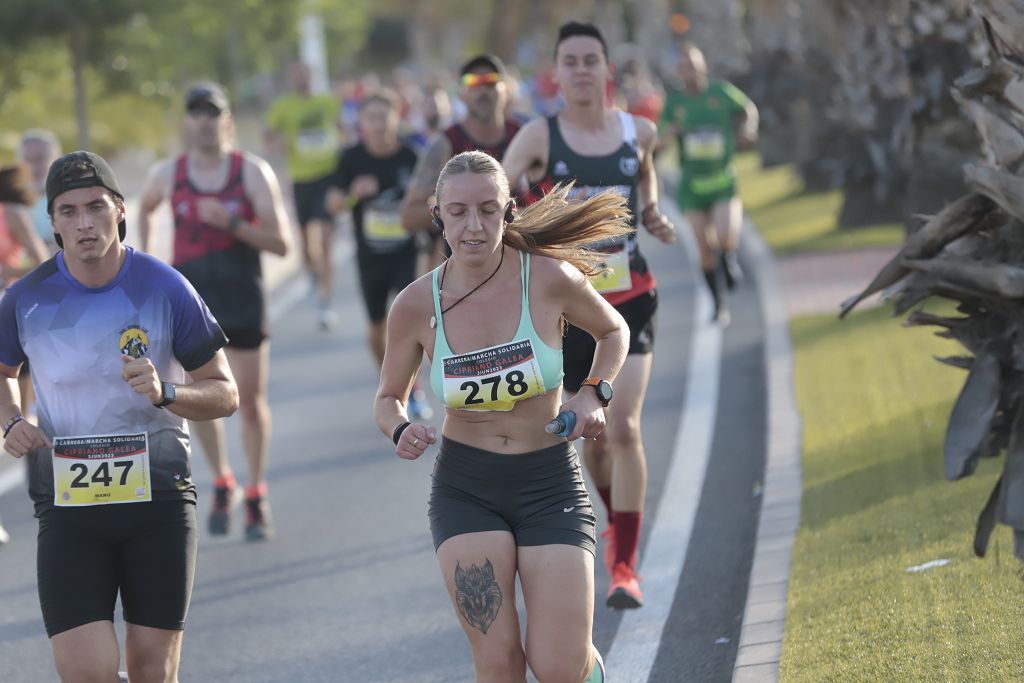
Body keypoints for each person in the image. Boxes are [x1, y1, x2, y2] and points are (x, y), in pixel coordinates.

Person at [375, 150, 629, 682]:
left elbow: (613, 331)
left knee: (559, 666)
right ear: (436, 213)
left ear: (508, 210)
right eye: (460, 211)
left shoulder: (548, 278)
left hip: (550, 483)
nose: (475, 225)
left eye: (489, 210)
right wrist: (401, 428)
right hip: (467, 489)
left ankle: (589, 668)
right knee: (498, 661)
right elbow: (387, 398)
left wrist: (592, 395)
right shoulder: (415, 305)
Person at [0, 150, 238, 681]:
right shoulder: (26, 298)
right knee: (87, 673)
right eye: (68, 211)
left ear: (120, 210)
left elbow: (225, 393)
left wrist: (167, 392)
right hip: (67, 506)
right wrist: (12, 420)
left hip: (159, 500)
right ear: (53, 221)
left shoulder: (164, 286)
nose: (84, 223)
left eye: (95, 207)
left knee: (152, 672)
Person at [503, 21, 677, 610]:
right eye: (570, 62)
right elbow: (500, 202)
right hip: (569, 314)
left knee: (623, 426)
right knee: (591, 438)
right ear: (558, 73)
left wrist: (649, 210)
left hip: (631, 301)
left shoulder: (640, 131)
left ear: (607, 70)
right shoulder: (538, 136)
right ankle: (611, 520)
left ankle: (624, 565)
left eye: (590, 60)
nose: (581, 70)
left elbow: (644, 169)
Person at [138, 82, 290, 540]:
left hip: (243, 294)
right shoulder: (169, 173)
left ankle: (257, 489)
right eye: (196, 113)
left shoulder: (251, 172)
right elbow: (141, 209)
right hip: (193, 303)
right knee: (197, 398)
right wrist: (149, 260)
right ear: (187, 122)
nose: (204, 121)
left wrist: (233, 223)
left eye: (213, 113)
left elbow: (281, 243)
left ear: (227, 120)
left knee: (248, 402)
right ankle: (223, 478)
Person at [325, 89, 431, 420]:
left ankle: (411, 390)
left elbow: (431, 202)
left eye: (384, 117)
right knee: (375, 328)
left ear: (396, 117)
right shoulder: (351, 158)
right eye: (371, 118)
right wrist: (355, 195)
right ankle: (388, 381)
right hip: (370, 256)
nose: (378, 124)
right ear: (362, 124)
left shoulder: (411, 157)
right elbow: (333, 204)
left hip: (405, 252)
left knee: (407, 322)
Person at [659, 42, 758, 323]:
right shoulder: (674, 102)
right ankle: (718, 304)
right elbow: (660, 141)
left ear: (703, 65)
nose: (688, 70)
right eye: (683, 66)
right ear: (678, 71)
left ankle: (728, 259)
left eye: (693, 64)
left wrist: (748, 129)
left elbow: (748, 108)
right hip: (692, 186)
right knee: (703, 248)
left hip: (722, 180)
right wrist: (669, 135)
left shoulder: (720, 92)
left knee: (726, 236)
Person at [400, 54, 523, 271]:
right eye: (473, 83)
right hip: (467, 274)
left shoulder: (525, 137)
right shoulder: (445, 143)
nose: (483, 90)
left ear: (506, 90)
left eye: (491, 81)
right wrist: (457, 211)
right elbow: (409, 216)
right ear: (461, 94)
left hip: (521, 267)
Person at [265, 61, 343, 329]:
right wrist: (279, 142)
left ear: (313, 76)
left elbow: (342, 127)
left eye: (305, 75)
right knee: (306, 246)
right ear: (291, 79)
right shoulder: (284, 106)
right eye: (296, 76)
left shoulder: (327, 102)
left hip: (328, 177)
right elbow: (270, 139)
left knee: (324, 240)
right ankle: (312, 275)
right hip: (301, 180)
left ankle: (326, 301)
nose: (302, 80)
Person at [18, 129, 62, 253]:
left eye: (40, 159)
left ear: (54, 160)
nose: (32, 167)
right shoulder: (9, 200)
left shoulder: (66, 197)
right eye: (27, 160)